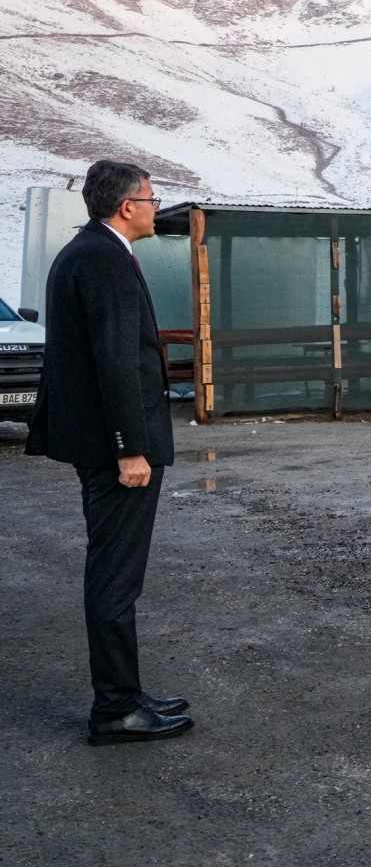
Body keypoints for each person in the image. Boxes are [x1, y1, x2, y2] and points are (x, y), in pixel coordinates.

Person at [25, 159, 192, 746]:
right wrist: (130, 450)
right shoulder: (104, 261)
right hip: (114, 448)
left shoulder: (88, 252)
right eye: (150, 198)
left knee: (114, 572)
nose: (155, 206)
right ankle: (116, 707)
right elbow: (116, 364)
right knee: (116, 578)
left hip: (96, 442)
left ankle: (126, 693)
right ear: (127, 206)